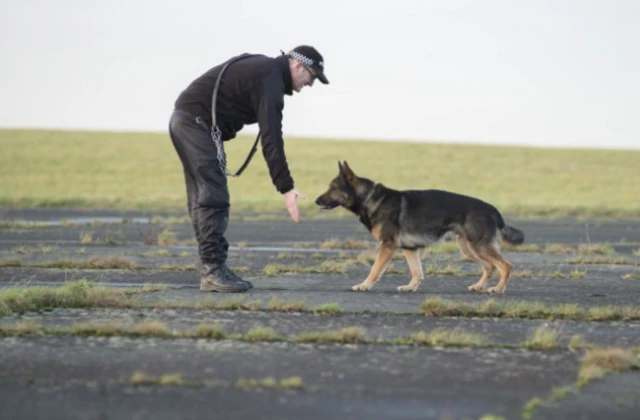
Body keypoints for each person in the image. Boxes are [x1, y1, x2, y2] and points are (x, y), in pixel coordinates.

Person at [168, 45, 329, 293]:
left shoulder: (266, 72)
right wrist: (286, 187)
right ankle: (213, 271)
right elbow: (271, 138)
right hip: (194, 123)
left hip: (189, 121)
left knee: (204, 195)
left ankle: (213, 268)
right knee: (213, 197)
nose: (311, 84)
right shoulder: (270, 79)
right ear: (297, 65)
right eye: (312, 76)